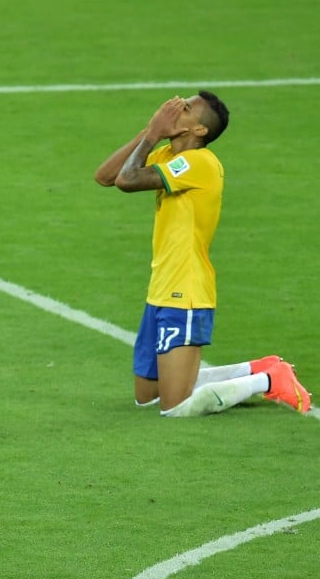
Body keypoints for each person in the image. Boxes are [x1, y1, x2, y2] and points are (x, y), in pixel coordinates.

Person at [94, 91, 312, 417]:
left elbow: (127, 180)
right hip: (161, 288)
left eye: (185, 110)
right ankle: (256, 368)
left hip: (187, 291)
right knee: (147, 396)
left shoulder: (201, 163)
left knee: (175, 407)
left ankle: (267, 380)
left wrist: (153, 133)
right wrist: (150, 132)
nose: (174, 108)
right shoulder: (169, 154)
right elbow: (106, 176)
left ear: (199, 131)